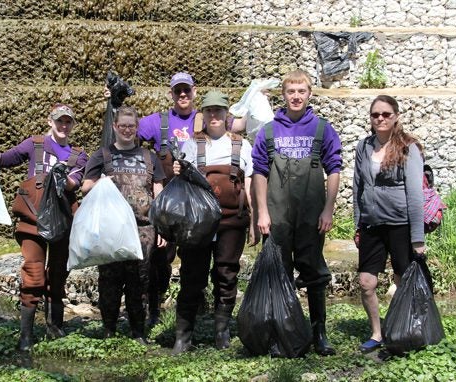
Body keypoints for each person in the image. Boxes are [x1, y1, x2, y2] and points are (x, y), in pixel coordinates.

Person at [137, 73, 248, 326]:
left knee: (206, 267)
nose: (183, 95)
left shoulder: (209, 115)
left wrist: (255, 101)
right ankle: (156, 309)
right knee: (161, 259)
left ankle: (201, 315)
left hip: (202, 210)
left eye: (187, 90)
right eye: (178, 91)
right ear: (171, 94)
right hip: (170, 205)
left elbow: (240, 126)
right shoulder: (156, 122)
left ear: (194, 92)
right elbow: (128, 135)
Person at [250, 69, 342, 356]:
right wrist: (262, 213)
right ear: (284, 95)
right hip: (277, 217)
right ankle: (283, 332)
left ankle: (319, 333)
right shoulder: (268, 131)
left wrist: (328, 209)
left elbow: (335, 169)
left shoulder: (322, 129)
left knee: (314, 272)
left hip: (311, 217)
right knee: (280, 273)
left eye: (301, 91)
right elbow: (259, 173)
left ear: (309, 94)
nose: (296, 96)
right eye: (291, 91)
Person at [0, 103, 88, 351]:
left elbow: (76, 182)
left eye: (68, 122)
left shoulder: (79, 155)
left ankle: (54, 326)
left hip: (63, 222)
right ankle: (26, 336)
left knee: (58, 274)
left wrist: (66, 179)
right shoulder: (35, 144)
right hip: (32, 220)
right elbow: (1, 160)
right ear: (50, 122)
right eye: (59, 121)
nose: (63, 126)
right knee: (33, 273)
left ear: (72, 125)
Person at [170, 90, 253, 354]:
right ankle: (183, 336)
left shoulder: (242, 145)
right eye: (209, 111)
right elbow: (182, 185)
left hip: (232, 221)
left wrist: (254, 218)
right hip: (198, 223)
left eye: (219, 111)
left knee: (227, 275)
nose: (214, 115)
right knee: (191, 276)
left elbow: (249, 183)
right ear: (203, 115)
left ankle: (221, 330)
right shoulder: (192, 145)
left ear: (227, 114)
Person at [82, 105, 166, 344]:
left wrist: (162, 227)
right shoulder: (103, 155)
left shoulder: (149, 157)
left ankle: (138, 332)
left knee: (139, 280)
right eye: (123, 126)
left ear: (137, 128)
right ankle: (109, 330)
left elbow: (158, 194)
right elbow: (85, 187)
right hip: (110, 230)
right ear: (115, 127)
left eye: (131, 126)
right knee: (109, 279)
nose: (127, 130)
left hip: (143, 229)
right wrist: (101, 181)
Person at [353, 95, 425, 353]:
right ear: (370, 119)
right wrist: (357, 223)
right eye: (375, 115)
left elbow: (415, 194)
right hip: (372, 224)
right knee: (366, 282)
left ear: (395, 116)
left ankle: (401, 329)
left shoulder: (408, 147)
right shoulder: (364, 147)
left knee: (402, 281)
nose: (380, 119)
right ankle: (377, 333)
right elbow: (358, 188)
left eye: (385, 114)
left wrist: (418, 239)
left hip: (400, 224)